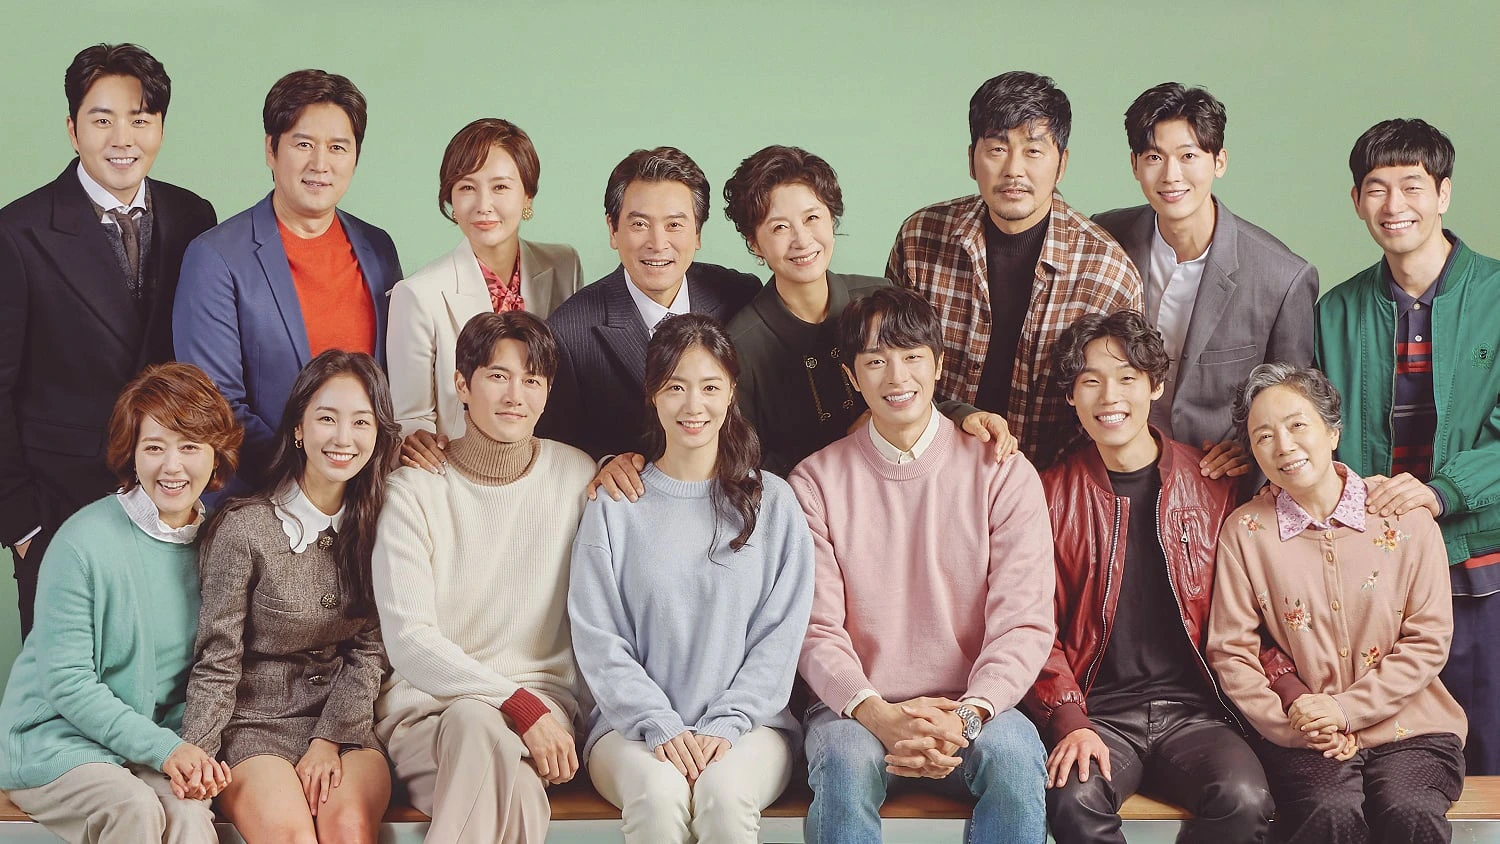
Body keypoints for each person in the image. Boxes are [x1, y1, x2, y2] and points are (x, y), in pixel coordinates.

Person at [791, 287, 1055, 844]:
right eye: (875, 361)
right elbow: (815, 628)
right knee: (845, 762)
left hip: (976, 703)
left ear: (938, 365)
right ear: (851, 376)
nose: (896, 377)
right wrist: (878, 714)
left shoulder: (1002, 472)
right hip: (855, 708)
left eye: (912, 356)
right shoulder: (814, 482)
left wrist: (966, 715)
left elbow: (1024, 621)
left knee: (1014, 756)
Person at [1028, 310, 1286, 844]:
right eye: (1091, 382)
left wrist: (1287, 685)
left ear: (1156, 386)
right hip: (1097, 712)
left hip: (1198, 713)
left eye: (1127, 378)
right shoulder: (1046, 497)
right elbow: (1031, 626)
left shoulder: (1215, 484)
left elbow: (1252, 613)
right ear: (1071, 396)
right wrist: (1070, 719)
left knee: (1245, 801)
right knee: (1074, 799)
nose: (1110, 397)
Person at [569, 313, 815, 841]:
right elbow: (598, 637)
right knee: (659, 797)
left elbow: (780, 637)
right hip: (628, 730)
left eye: (709, 387)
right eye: (675, 387)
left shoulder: (774, 502)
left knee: (723, 795)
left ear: (731, 394)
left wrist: (727, 723)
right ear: (652, 395)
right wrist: (657, 723)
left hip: (752, 728)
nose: (693, 406)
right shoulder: (614, 505)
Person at [0, 43, 217, 636]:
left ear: (161, 128)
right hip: (61, 506)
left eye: (140, 119)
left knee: (170, 671)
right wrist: (21, 523)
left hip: (170, 495)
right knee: (69, 675)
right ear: (73, 130)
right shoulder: (17, 232)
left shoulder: (193, 216)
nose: (123, 138)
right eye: (102, 120)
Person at [1208, 363, 1467, 843]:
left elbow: (1429, 640)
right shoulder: (1245, 532)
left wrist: (1346, 710)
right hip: (1305, 736)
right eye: (1264, 436)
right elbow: (1231, 651)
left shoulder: (1405, 518)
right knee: (1328, 812)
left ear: (1332, 431)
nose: (1283, 445)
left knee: (1410, 810)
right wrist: (1295, 726)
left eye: (1297, 425)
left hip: (1411, 728)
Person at [1317, 117, 1500, 776]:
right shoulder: (1334, 311)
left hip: (1481, 566)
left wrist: (1441, 492)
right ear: (1356, 200)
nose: (1394, 205)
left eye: (1412, 185)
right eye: (1376, 188)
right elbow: (1315, 431)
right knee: (1390, 769)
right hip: (1375, 573)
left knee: (1489, 763)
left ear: (1443, 193)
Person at [372, 310, 595, 844]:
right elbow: (409, 641)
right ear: (461, 384)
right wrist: (515, 703)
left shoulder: (576, 476)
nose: (515, 396)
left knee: (483, 732)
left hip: (542, 718)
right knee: (487, 742)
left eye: (532, 381)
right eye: (498, 376)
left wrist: (527, 708)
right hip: (428, 718)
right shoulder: (413, 491)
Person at [0, 363, 241, 843]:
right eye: (154, 447)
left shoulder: (222, 545)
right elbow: (67, 683)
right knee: (134, 808)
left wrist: (189, 754)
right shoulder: (81, 541)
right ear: (132, 454)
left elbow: (213, 672)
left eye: (190, 446)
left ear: (216, 456)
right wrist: (165, 749)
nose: (172, 466)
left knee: (191, 817)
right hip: (55, 740)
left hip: (147, 745)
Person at [180, 350, 400, 843]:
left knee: (348, 830)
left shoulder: (383, 526)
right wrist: (196, 755)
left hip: (345, 725)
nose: (343, 438)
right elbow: (217, 659)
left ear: (378, 434)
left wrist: (329, 738)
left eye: (361, 422)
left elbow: (370, 650)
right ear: (299, 428)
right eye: (327, 418)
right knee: (290, 837)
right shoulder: (244, 528)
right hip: (255, 725)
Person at [887, 70, 1140, 470]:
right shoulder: (920, 238)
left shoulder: (1107, 272)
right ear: (972, 159)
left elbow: (1116, 408)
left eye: (1033, 151)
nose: (1013, 170)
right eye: (997, 149)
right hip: (924, 468)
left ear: (1062, 164)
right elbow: (889, 362)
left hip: (1048, 483)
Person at [174, 69, 402, 493]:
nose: (320, 164)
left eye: (338, 147)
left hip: (364, 497)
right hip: (259, 498)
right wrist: (311, 478)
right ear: (271, 149)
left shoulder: (378, 248)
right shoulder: (216, 256)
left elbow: (391, 380)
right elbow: (217, 405)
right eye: (303, 144)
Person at [1093, 83, 1318, 484]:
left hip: (1215, 479)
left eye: (1188, 156)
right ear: (1134, 165)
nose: (1171, 175)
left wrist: (1250, 448)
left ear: (1219, 162)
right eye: (1154, 157)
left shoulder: (1282, 277)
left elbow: (1291, 406)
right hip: (1111, 470)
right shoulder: (1105, 237)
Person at [540, 147, 760, 463]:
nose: (657, 243)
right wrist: (603, 464)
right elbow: (553, 446)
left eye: (674, 225)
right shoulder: (568, 332)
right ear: (613, 230)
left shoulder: (738, 295)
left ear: (698, 232)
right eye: (640, 224)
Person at [389, 118, 583, 474]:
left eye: (500, 187)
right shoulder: (417, 294)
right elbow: (412, 420)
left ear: (527, 195)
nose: (483, 205)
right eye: (467, 187)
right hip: (463, 473)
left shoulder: (563, 265)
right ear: (450, 197)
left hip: (552, 470)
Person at [719, 145, 892, 476]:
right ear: (754, 242)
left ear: (831, 219)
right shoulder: (740, 346)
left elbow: (924, 396)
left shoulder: (880, 297)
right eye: (779, 227)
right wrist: (847, 444)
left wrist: (964, 414)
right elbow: (746, 464)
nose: (801, 240)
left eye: (812, 218)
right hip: (800, 499)